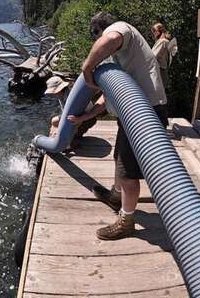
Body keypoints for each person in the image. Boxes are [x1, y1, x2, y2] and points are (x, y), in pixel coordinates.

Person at [78, 12, 168, 240]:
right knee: (119, 157)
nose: (96, 41)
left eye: (95, 35)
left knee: (128, 172)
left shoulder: (118, 29)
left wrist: (88, 67)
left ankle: (126, 222)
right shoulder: (123, 57)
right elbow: (107, 98)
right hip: (134, 112)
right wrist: (80, 119)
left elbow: (108, 40)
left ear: (101, 29)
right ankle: (116, 197)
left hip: (144, 112)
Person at [45, 76, 102, 150]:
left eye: (53, 93)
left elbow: (77, 116)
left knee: (70, 143)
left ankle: (75, 139)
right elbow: (65, 113)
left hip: (87, 117)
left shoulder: (72, 96)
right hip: (74, 116)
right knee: (54, 121)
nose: (52, 95)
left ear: (60, 90)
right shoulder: (61, 96)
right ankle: (51, 139)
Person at [151, 23, 176, 87]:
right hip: (163, 71)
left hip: (160, 71)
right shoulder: (165, 41)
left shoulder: (162, 42)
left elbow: (153, 56)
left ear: (158, 31)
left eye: (154, 31)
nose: (153, 34)